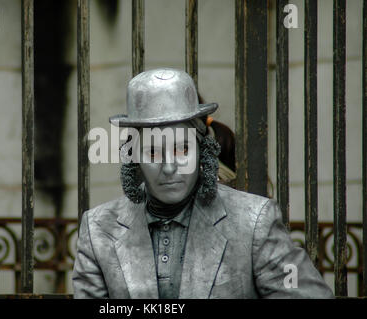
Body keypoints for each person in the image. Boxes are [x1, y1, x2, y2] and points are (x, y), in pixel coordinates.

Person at [72, 68, 333, 299]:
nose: (170, 166)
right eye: (153, 152)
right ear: (134, 158)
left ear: (203, 151)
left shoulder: (254, 221)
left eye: (182, 149)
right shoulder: (98, 230)